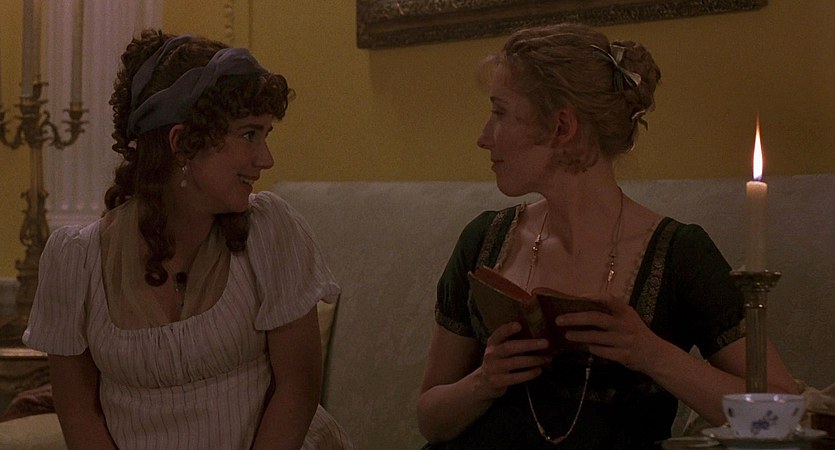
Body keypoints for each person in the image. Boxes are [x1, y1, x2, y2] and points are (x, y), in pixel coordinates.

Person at [416, 23, 800, 449]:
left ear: (562, 127)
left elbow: (782, 413)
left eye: (500, 112)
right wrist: (483, 382)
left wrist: (652, 354)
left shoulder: (679, 255)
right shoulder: (484, 240)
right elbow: (430, 420)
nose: (483, 138)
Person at [23, 30, 352, 450]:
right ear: (181, 143)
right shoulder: (77, 260)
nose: (266, 159)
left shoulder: (270, 232)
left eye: (265, 134)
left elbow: (297, 391)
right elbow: (78, 411)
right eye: (249, 134)